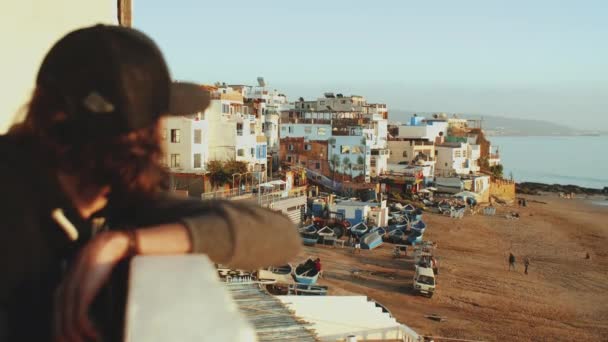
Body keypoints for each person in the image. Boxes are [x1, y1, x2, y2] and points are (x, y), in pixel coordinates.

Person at [0, 25, 301, 341]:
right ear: (140, 137)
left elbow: (279, 235)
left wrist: (123, 242)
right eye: (157, 119)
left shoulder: (119, 197)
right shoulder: (15, 194)